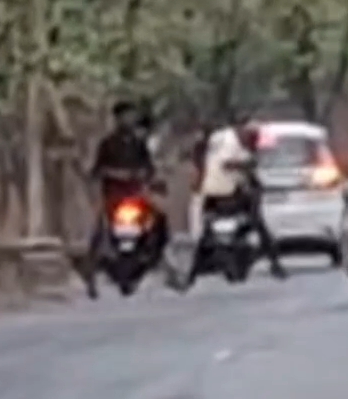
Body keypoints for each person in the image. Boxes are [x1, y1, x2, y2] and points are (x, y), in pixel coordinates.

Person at [81, 100, 175, 295]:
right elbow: (97, 169)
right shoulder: (107, 144)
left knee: (159, 219)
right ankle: (90, 275)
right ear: (116, 119)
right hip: (114, 196)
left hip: (136, 195)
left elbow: (149, 167)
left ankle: (161, 259)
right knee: (99, 231)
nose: (127, 120)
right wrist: (113, 174)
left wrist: (151, 179)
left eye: (130, 115)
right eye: (123, 116)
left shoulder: (138, 144)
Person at [180, 117, 287, 288]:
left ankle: (274, 263)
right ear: (239, 128)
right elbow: (226, 163)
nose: (252, 139)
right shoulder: (226, 140)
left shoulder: (236, 143)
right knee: (207, 233)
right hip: (219, 191)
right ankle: (191, 274)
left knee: (258, 225)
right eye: (250, 135)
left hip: (227, 191)